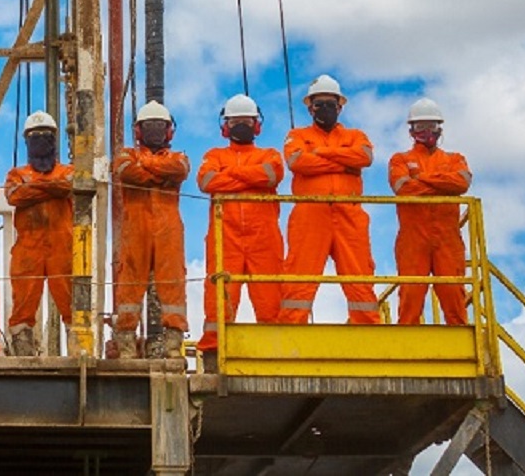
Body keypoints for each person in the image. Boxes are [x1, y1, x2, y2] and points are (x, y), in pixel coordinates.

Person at [280, 74, 381, 324]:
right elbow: (297, 162)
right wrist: (343, 162)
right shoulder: (296, 135)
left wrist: (320, 153)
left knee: (359, 275)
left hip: (349, 214)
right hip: (310, 214)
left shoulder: (356, 135)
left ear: (340, 106)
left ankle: (367, 330)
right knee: (299, 276)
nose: (324, 108)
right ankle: (292, 328)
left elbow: (364, 157)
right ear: (310, 107)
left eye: (330, 104)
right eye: (319, 104)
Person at [197, 94, 285, 361]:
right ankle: (214, 351)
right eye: (236, 121)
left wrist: (230, 175)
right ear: (225, 126)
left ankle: (275, 353)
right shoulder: (214, 155)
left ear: (256, 125)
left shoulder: (269, 155)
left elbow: (271, 175)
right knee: (219, 297)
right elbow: (207, 181)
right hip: (226, 238)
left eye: (246, 121)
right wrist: (251, 178)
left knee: (270, 298)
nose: (241, 126)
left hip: (263, 238)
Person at [111, 101, 190, 359]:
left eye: (159, 126)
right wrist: (160, 175)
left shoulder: (179, 159)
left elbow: (179, 171)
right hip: (136, 231)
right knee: (129, 287)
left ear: (168, 131)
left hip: (168, 231)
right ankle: (125, 343)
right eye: (150, 126)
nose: (154, 131)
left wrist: (148, 168)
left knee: (173, 285)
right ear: (138, 130)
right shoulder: (125, 156)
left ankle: (172, 345)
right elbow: (126, 173)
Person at [389, 98, 472, 325]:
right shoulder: (400, 159)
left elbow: (462, 183)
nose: (426, 132)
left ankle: (458, 338)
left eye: (431, 126)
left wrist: (422, 180)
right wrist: (441, 183)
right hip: (413, 238)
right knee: (411, 293)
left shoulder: (455, 159)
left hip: (447, 238)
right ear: (411, 130)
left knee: (453, 292)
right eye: (420, 127)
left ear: (439, 128)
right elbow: (403, 188)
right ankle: (407, 340)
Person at [5, 111, 75, 357]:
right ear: (27, 141)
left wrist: (34, 188)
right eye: (35, 136)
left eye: (45, 136)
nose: (40, 140)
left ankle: (78, 351)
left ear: (54, 140)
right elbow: (15, 196)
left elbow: (68, 186)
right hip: (28, 248)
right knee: (24, 300)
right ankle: (23, 351)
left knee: (71, 300)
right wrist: (50, 189)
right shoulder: (17, 174)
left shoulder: (68, 171)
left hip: (62, 246)